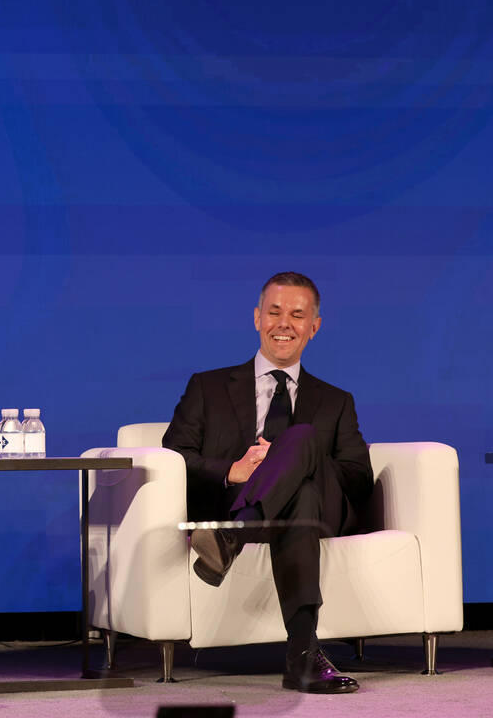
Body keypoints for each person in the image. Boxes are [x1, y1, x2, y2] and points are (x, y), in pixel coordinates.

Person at [162, 272, 373, 694]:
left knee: (302, 441)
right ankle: (303, 656)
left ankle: (231, 539)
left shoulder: (336, 400)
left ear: (314, 326)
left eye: (298, 315)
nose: (284, 324)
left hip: (323, 512)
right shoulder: (207, 387)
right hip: (242, 502)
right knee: (301, 497)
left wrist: (298, 460)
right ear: (257, 318)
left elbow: (358, 477)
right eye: (274, 312)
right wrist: (233, 470)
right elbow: (174, 456)